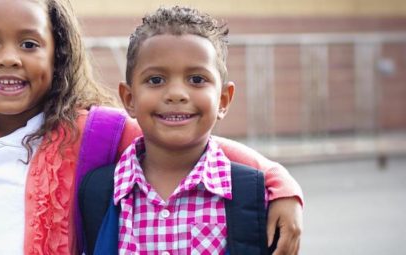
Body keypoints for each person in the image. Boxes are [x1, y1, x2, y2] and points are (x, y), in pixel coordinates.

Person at [0, 0, 303, 254]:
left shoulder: (91, 131)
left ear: (59, 55)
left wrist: (279, 182)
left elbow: (202, 145)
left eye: (30, 45)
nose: (10, 59)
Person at [79, 6, 287, 254]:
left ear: (223, 100)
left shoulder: (254, 195)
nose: (176, 94)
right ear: (129, 99)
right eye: (156, 80)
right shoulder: (99, 191)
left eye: (197, 79)